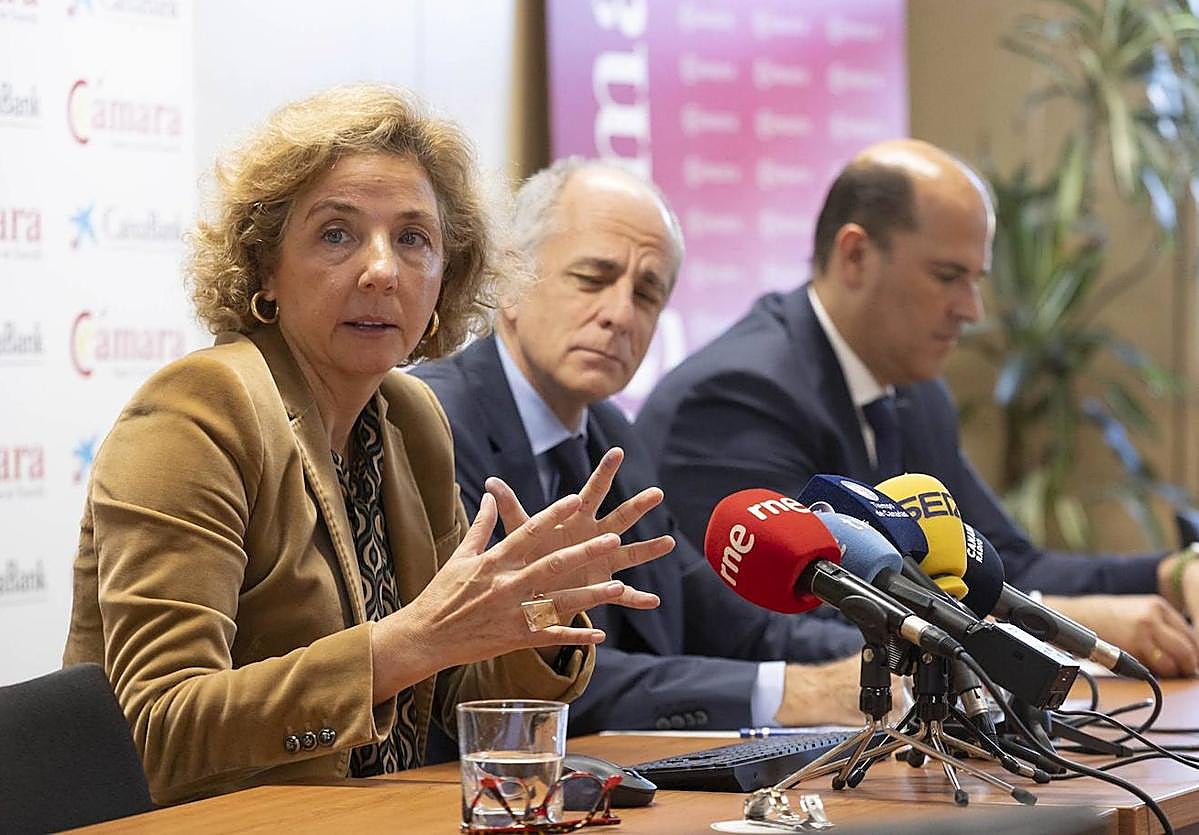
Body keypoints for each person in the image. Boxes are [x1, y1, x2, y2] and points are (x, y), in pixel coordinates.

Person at [61, 86, 674, 805]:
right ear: (265, 267)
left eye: (413, 239)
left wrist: (537, 613)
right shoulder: (197, 412)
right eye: (336, 234)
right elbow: (157, 730)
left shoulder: (411, 420)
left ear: (447, 277)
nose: (383, 270)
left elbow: (457, 689)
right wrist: (406, 643)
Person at [636, 138, 1199, 679]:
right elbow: (792, 624)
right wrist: (1039, 626)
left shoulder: (914, 391)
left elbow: (1001, 564)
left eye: (976, 280)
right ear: (855, 255)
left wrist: (1168, 574)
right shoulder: (736, 397)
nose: (973, 310)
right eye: (949, 277)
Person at [413, 158, 867, 737]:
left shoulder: (610, 434)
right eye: (592, 278)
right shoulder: (437, 424)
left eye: (647, 294)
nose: (620, 315)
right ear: (511, 284)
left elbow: (732, 624)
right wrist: (793, 692)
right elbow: (520, 670)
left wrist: (899, 650)